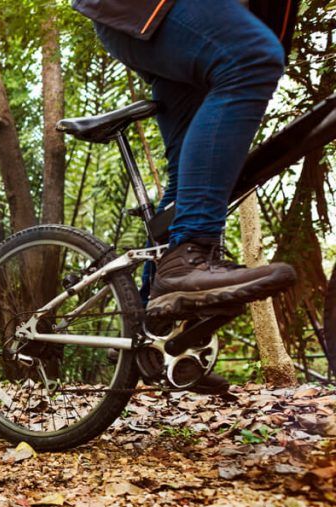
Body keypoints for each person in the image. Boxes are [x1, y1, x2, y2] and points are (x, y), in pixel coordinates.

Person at [72, 0, 298, 320]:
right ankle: (187, 256)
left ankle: (149, 330)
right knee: (252, 59)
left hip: (183, 17)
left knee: (187, 184)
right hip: (152, 9)